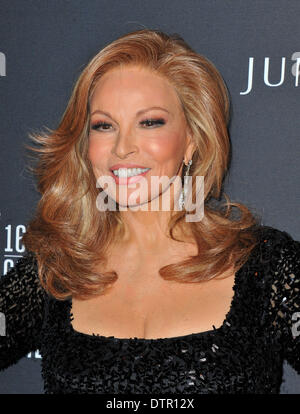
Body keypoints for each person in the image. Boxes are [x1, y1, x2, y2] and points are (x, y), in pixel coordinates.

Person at [0, 29, 299, 394]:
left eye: (150, 122)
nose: (123, 148)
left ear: (192, 139)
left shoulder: (265, 265)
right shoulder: (57, 268)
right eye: (104, 125)